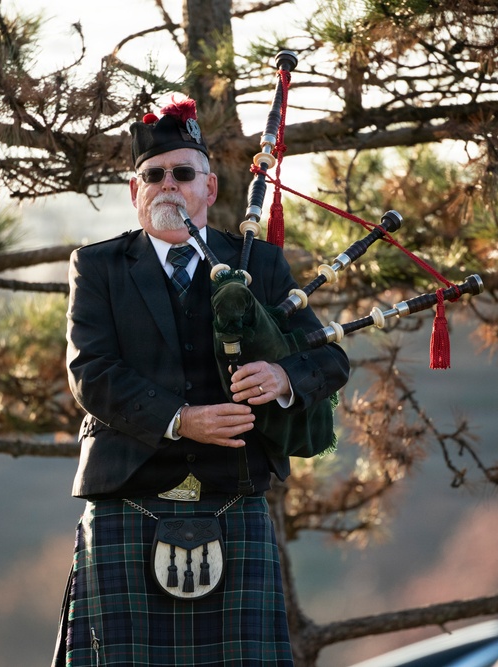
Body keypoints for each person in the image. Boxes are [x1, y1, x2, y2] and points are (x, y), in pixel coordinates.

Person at [54, 96, 350, 667]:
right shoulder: (97, 267)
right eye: (153, 175)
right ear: (135, 190)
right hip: (127, 499)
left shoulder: (257, 264)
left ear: (209, 189)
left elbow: (328, 362)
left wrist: (281, 375)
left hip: (231, 497)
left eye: (183, 173)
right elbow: (89, 372)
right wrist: (180, 420)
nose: (168, 185)